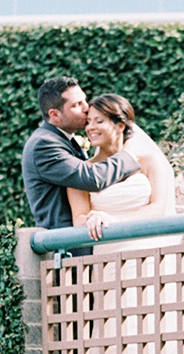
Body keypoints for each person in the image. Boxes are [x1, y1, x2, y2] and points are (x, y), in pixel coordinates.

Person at [21, 76, 141, 234]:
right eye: (77, 105)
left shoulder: (64, 139)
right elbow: (91, 178)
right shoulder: (43, 145)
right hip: (66, 247)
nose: (86, 107)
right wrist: (130, 154)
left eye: (84, 100)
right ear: (54, 114)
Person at [66, 93, 176, 244]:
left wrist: (114, 220)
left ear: (120, 126)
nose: (91, 128)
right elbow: (79, 219)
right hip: (108, 254)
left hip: (151, 250)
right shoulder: (81, 171)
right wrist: (92, 220)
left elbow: (158, 207)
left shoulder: (149, 161)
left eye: (99, 121)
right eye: (88, 122)